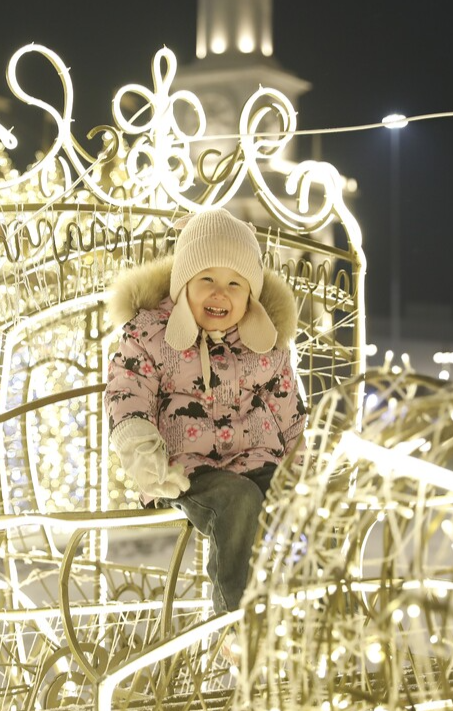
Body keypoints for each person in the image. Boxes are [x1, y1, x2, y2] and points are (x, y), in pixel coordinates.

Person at [104, 208, 307, 615]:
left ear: (250, 292)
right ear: (183, 285)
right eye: (207, 280)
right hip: (184, 471)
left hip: (255, 459)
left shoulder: (263, 344)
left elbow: (288, 408)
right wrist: (145, 457)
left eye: (235, 283)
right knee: (239, 501)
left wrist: (304, 462)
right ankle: (238, 620)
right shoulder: (150, 335)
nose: (220, 293)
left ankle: (294, 610)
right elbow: (128, 394)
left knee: (291, 504)